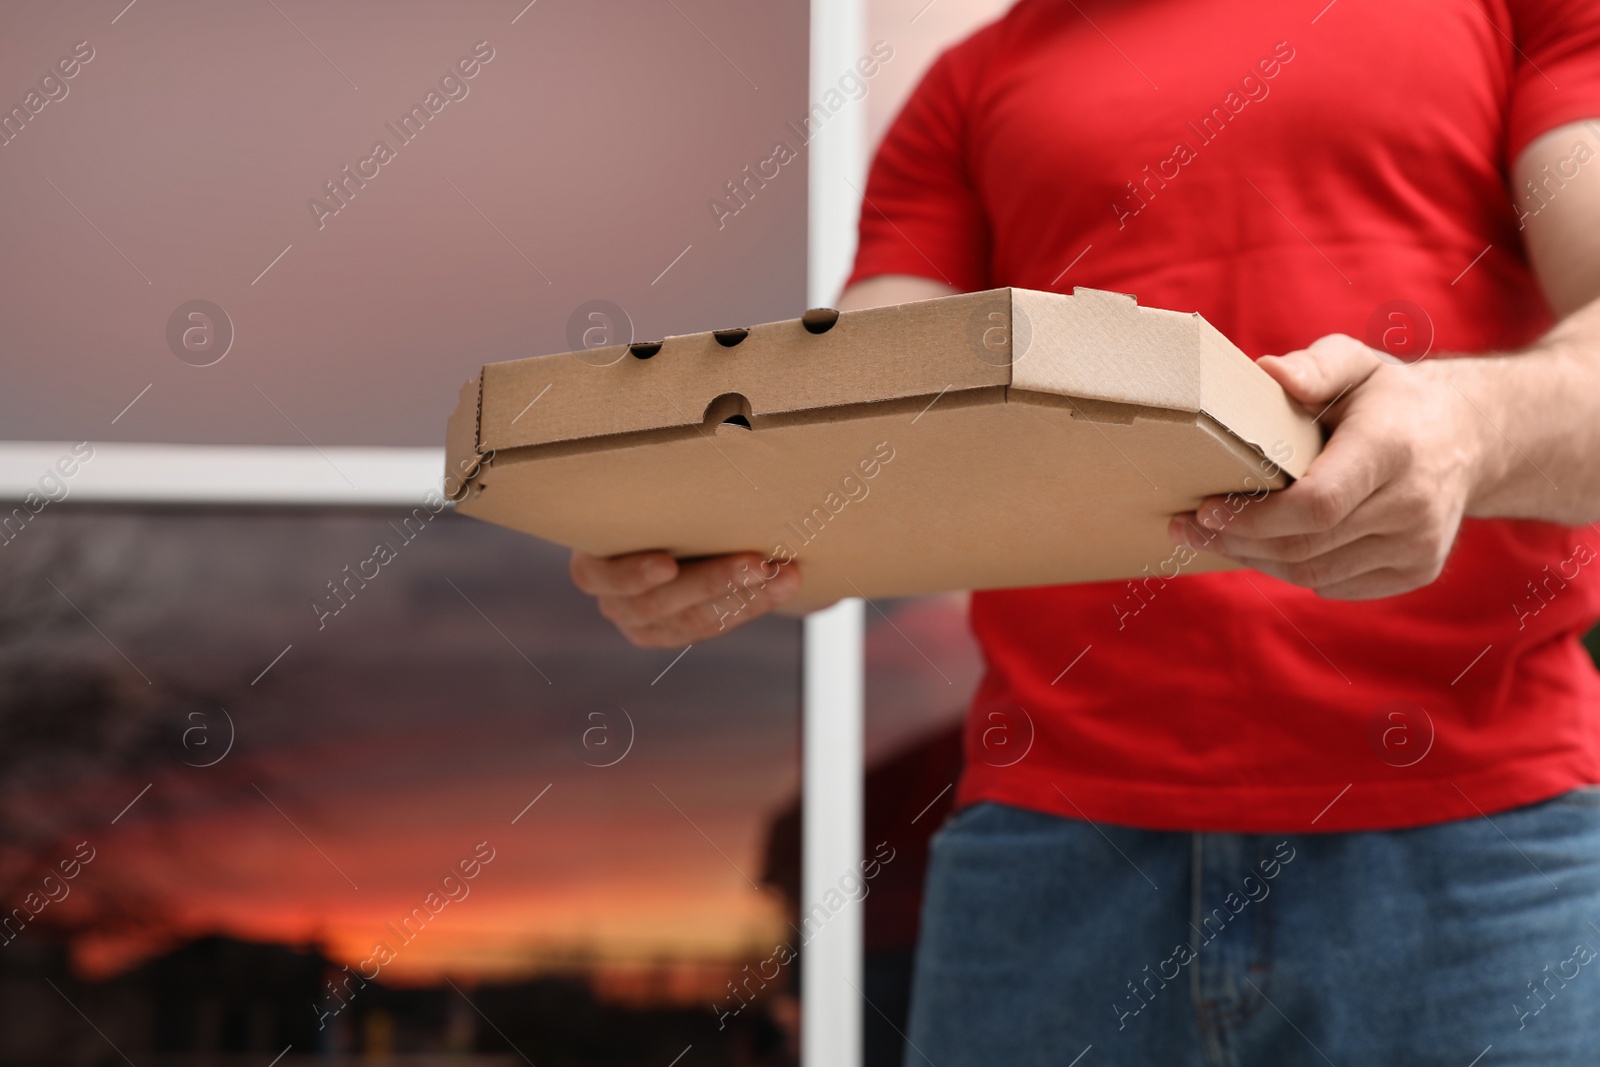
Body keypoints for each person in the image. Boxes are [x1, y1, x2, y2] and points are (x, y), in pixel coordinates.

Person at [568, 0, 1600, 1061]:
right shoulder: (963, 93)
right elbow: (868, 432)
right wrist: (723, 536)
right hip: (1048, 853)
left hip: (1478, 837)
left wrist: (1470, 428)